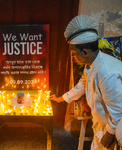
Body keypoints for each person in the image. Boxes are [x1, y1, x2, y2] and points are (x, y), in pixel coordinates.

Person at [50, 15, 122, 150]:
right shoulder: (91, 63)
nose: (72, 57)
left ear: (85, 52)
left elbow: (118, 110)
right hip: (101, 125)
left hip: (113, 128)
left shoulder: (106, 73)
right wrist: (62, 99)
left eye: (73, 54)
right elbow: (83, 83)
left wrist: (110, 134)